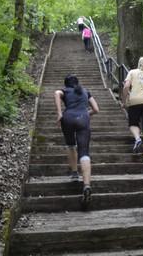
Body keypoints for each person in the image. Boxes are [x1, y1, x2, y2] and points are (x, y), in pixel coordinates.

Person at [54, 74, 99, 210]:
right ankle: (86, 185)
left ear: (66, 84)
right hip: (83, 118)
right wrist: (85, 114)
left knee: (71, 145)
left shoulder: (65, 91)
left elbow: (56, 92)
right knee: (84, 152)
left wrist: (60, 113)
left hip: (67, 118)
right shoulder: (85, 91)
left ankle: (74, 174)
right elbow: (96, 109)